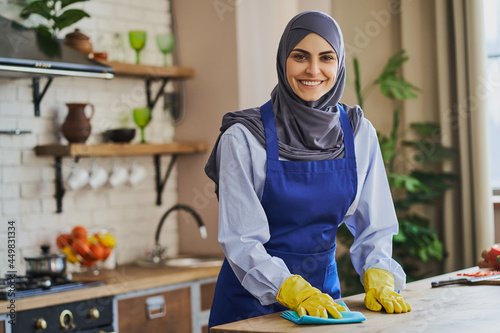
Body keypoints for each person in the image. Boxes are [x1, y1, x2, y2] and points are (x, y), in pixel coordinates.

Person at [205, 10, 411, 328]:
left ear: (339, 62)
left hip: (325, 302)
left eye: (326, 57)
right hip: (250, 307)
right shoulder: (244, 136)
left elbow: (376, 226)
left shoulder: (358, 133)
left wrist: (380, 272)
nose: (313, 70)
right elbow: (241, 240)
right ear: (283, 60)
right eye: (300, 56)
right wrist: (291, 290)